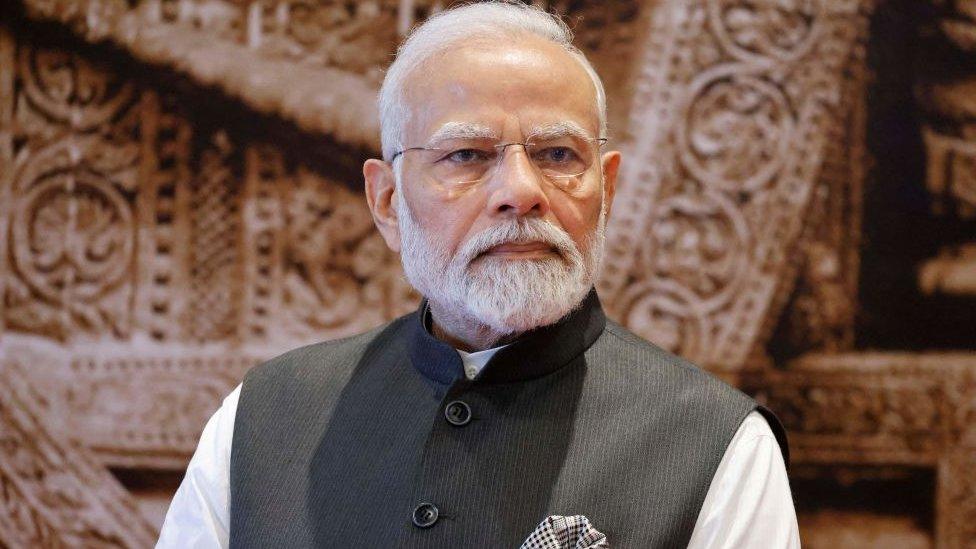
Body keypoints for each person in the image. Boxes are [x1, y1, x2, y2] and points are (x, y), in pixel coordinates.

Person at [157, 2, 799, 547]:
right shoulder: (264, 419)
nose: (521, 192)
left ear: (605, 188)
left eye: (556, 154)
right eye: (466, 155)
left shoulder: (716, 447)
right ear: (386, 202)